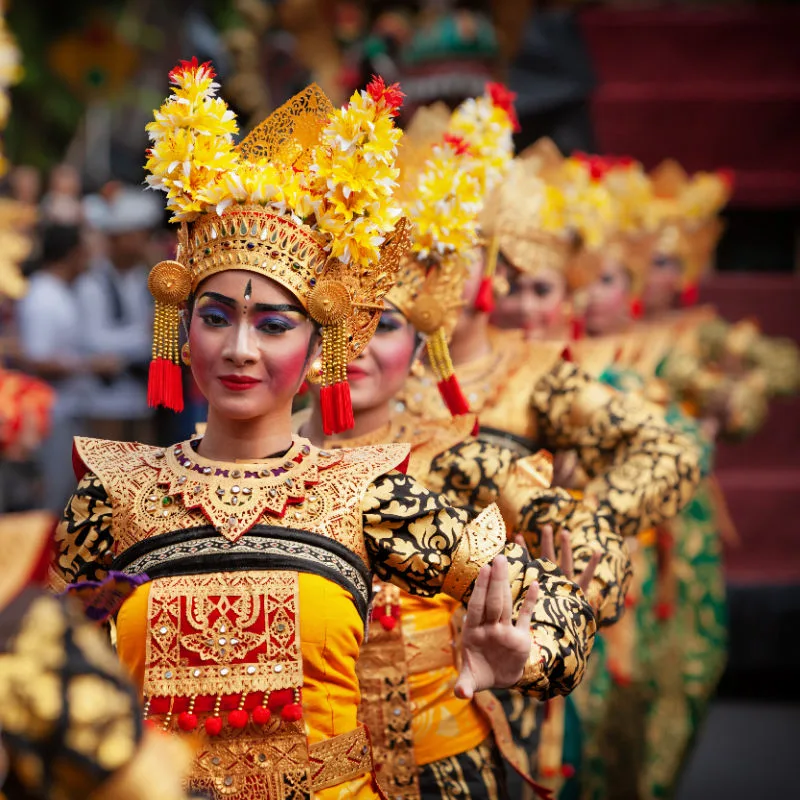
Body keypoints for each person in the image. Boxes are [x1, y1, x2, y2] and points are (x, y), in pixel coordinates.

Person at [50, 62, 595, 800]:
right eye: (216, 318)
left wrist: (523, 652)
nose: (240, 349)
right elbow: (38, 660)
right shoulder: (113, 495)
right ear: (181, 328)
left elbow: (556, 599)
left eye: (274, 325)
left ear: (319, 350)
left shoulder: (365, 495)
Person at [295, 104, 623, 799]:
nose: (355, 345)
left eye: (384, 325)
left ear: (422, 342)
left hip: (442, 771)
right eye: (333, 318)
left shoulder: (456, 460)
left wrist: (548, 619)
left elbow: (587, 543)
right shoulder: (246, 466)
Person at [395, 98, 702, 799]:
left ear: (483, 269)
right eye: (410, 261)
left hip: (506, 640)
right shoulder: (367, 374)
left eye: (440, 260)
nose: (420, 279)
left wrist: (582, 522)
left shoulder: (537, 376)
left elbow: (670, 450)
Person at [16, 223, 119, 511]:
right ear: (72, 253)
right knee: (50, 500)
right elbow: (37, 360)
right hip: (50, 416)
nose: (90, 259)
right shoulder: (43, 297)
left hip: (67, 411)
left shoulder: (59, 291)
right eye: (85, 251)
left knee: (65, 496)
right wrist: (90, 366)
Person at [77, 185, 161, 443]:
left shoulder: (145, 278)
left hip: (141, 393)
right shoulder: (92, 282)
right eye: (135, 236)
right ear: (116, 239)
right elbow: (94, 340)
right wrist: (144, 335)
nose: (142, 244)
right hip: (105, 397)